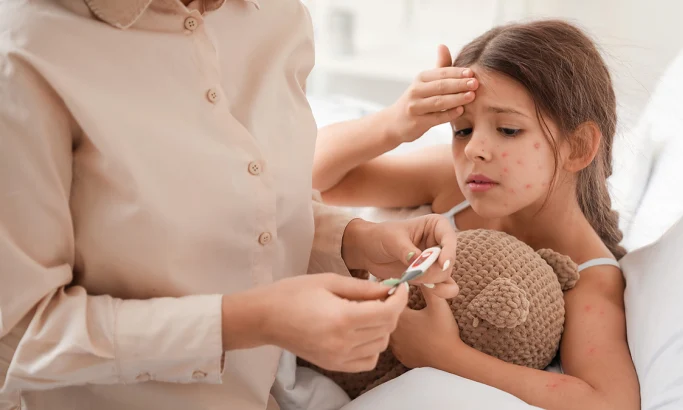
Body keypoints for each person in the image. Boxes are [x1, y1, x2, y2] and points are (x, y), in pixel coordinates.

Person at [0, 1, 458, 409]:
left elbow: (251, 195)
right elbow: (19, 337)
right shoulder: (27, 51)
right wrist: (250, 322)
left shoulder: (277, 19)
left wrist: (355, 241)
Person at [313, 20, 641, 409]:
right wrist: (395, 123)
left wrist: (445, 355)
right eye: (463, 130)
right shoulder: (452, 185)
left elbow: (609, 402)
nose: (473, 149)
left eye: (508, 130)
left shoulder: (589, 276)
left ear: (578, 146)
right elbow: (312, 178)